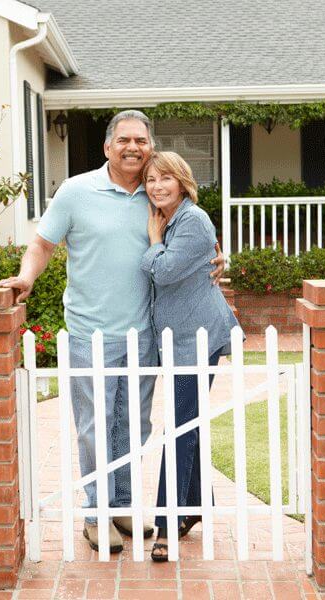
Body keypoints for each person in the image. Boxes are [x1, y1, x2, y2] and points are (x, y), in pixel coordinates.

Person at [0, 111, 224, 554]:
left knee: (132, 427)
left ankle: (120, 506)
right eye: (124, 140)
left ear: (150, 147)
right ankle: (96, 515)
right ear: (107, 147)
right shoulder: (76, 191)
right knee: (95, 426)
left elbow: (195, 242)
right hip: (88, 333)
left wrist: (219, 260)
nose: (133, 147)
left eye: (141, 140)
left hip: (144, 333)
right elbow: (41, 244)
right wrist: (26, 277)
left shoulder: (158, 195)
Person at [139, 151, 241, 562]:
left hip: (199, 339)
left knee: (179, 427)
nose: (157, 186)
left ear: (182, 181)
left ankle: (166, 525)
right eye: (150, 180)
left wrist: (153, 242)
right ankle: (196, 503)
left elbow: (163, 272)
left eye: (165, 178)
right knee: (188, 421)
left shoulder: (192, 221)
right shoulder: (171, 218)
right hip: (178, 339)